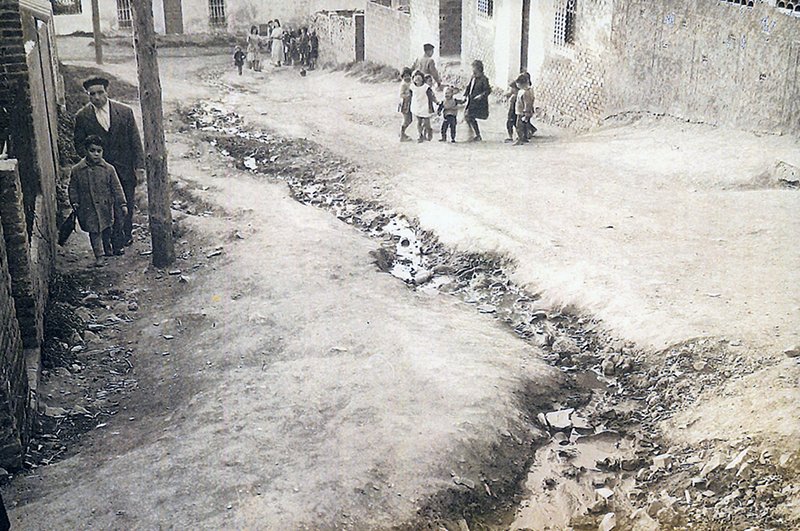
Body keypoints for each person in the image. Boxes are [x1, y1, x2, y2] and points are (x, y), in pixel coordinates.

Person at [74, 76, 144, 252]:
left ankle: (125, 235)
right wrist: (93, 161)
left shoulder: (125, 112)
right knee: (104, 205)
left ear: (107, 92)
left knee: (125, 202)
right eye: (92, 94)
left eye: (100, 93)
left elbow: (135, 141)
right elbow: (78, 144)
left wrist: (140, 167)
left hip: (124, 168)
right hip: (100, 171)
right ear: (88, 96)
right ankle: (108, 242)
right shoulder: (82, 117)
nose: (96, 97)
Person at [68, 135, 128, 267]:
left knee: (106, 229)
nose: (96, 154)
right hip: (87, 208)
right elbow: (73, 188)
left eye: (99, 151)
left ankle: (107, 248)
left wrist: (122, 203)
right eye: (92, 150)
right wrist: (75, 202)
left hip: (105, 206)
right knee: (94, 232)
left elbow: (116, 187)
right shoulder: (77, 170)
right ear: (86, 151)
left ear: (103, 152)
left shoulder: (109, 169)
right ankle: (99, 256)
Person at [463, 60, 492, 142]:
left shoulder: (484, 79)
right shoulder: (473, 77)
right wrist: (465, 95)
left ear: (479, 69)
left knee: (470, 116)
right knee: (468, 116)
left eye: (474, 69)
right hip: (472, 100)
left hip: (479, 102)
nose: (473, 71)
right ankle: (474, 133)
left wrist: (481, 96)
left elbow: (488, 90)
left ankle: (475, 134)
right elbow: (468, 87)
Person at [409, 70, 438, 143]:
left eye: (419, 78)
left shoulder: (426, 87)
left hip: (425, 106)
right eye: (415, 78)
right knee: (418, 122)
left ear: (422, 79)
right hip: (416, 105)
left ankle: (429, 130)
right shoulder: (412, 87)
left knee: (426, 123)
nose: (417, 80)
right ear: (413, 79)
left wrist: (436, 102)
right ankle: (420, 135)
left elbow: (431, 96)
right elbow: (410, 95)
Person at [514, 74, 535, 146]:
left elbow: (527, 103)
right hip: (521, 111)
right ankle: (524, 137)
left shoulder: (525, 92)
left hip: (522, 112)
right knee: (524, 125)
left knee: (518, 126)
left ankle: (520, 139)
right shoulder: (526, 91)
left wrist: (526, 113)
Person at [398, 67, 413, 142]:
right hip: (405, 104)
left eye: (408, 75)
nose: (406, 77)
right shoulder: (403, 84)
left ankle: (402, 132)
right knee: (406, 120)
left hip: (410, 104)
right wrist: (408, 95)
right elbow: (401, 95)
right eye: (405, 76)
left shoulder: (411, 82)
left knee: (410, 120)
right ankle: (402, 134)